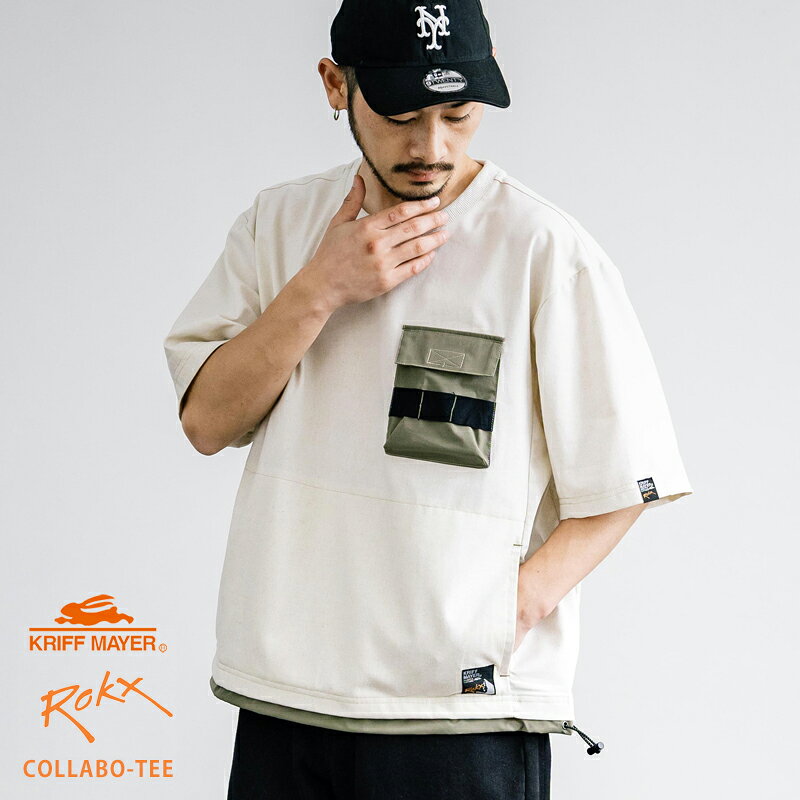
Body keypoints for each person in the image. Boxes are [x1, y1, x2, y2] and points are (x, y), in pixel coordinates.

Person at [162, 1, 694, 797]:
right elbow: (207, 423)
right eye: (402, 115)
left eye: (458, 114)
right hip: (286, 691)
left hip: (458, 715)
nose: (431, 147)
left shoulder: (543, 250)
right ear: (335, 85)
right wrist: (319, 289)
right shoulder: (278, 225)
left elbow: (628, 479)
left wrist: (506, 613)